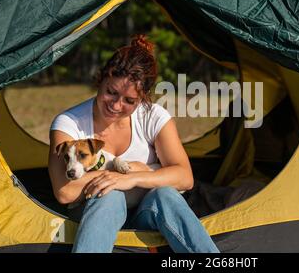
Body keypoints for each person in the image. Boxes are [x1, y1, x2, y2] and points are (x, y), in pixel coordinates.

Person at [48, 35, 220, 253]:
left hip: (144, 214)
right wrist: (115, 176)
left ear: (143, 98)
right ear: (101, 79)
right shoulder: (69, 122)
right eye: (111, 92)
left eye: (129, 100)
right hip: (94, 212)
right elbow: (65, 191)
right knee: (109, 194)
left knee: (165, 194)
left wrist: (133, 178)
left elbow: (185, 178)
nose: (116, 105)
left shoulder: (153, 116)